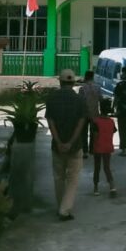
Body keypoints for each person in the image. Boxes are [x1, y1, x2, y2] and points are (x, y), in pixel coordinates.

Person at [44, 68, 87, 221]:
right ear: (73, 82)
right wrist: (70, 143)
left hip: (57, 147)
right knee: (73, 179)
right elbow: (81, 124)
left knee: (59, 177)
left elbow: (51, 122)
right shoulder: (80, 100)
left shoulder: (52, 98)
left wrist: (59, 142)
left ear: (60, 82)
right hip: (75, 146)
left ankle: (60, 206)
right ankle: (65, 209)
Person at [92, 101, 117, 198]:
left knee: (97, 168)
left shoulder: (96, 121)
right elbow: (114, 131)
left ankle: (96, 188)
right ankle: (112, 187)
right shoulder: (111, 121)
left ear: (100, 109)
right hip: (108, 146)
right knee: (107, 167)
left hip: (98, 147)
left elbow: (95, 135)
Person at [77, 69, 102, 157]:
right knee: (94, 132)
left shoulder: (82, 88)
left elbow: (79, 102)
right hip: (95, 113)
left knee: (83, 133)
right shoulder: (97, 87)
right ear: (93, 77)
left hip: (84, 113)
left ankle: (85, 151)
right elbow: (101, 99)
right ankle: (93, 150)